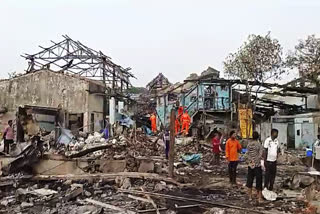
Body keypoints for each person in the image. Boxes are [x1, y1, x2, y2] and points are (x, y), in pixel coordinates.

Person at [246, 131, 264, 202]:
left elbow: (246, 154)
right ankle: (259, 197)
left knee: (249, 180)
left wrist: (251, 161)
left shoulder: (249, 145)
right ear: (258, 137)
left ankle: (250, 197)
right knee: (259, 181)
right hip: (257, 165)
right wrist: (256, 160)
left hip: (250, 165)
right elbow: (260, 155)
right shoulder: (259, 145)